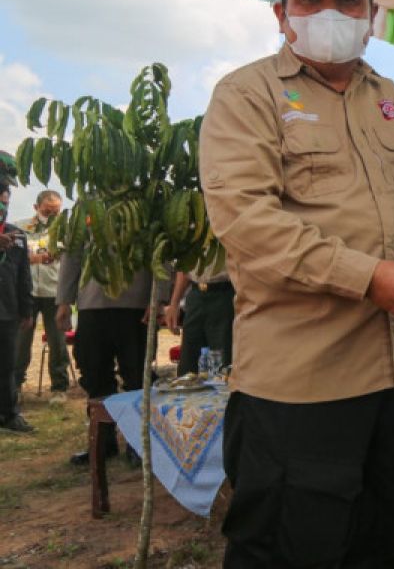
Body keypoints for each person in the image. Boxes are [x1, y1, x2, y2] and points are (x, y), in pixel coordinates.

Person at [200, 0, 394, 568]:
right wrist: (365, 278)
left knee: (389, 537)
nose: (329, 11)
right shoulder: (246, 95)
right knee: (290, 547)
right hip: (302, 383)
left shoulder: (393, 98)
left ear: (373, 14)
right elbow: (247, 222)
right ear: (281, 12)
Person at [56, 251, 162, 464]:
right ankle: (102, 443)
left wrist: (158, 297)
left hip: (136, 303)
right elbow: (72, 255)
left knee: (137, 377)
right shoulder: (80, 215)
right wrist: (64, 301)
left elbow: (160, 252)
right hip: (92, 303)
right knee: (94, 374)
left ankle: (139, 443)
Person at [14, 190, 69, 404]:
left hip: (54, 292)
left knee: (57, 341)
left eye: (56, 211)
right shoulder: (20, 227)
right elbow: (15, 256)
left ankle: (59, 387)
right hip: (27, 292)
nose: (52, 215)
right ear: (36, 208)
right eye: (48, 211)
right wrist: (35, 258)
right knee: (21, 341)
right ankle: (15, 385)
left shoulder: (64, 230)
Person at [0, 183, 34, 433]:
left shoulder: (18, 236)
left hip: (8, 310)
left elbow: (24, 276)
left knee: (7, 364)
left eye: (6, 203)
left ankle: (9, 414)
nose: (3, 208)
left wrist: (26, 310)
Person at [163, 258, 235, 376]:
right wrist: (174, 303)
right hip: (196, 294)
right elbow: (184, 267)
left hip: (224, 292)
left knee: (223, 360)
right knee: (189, 362)